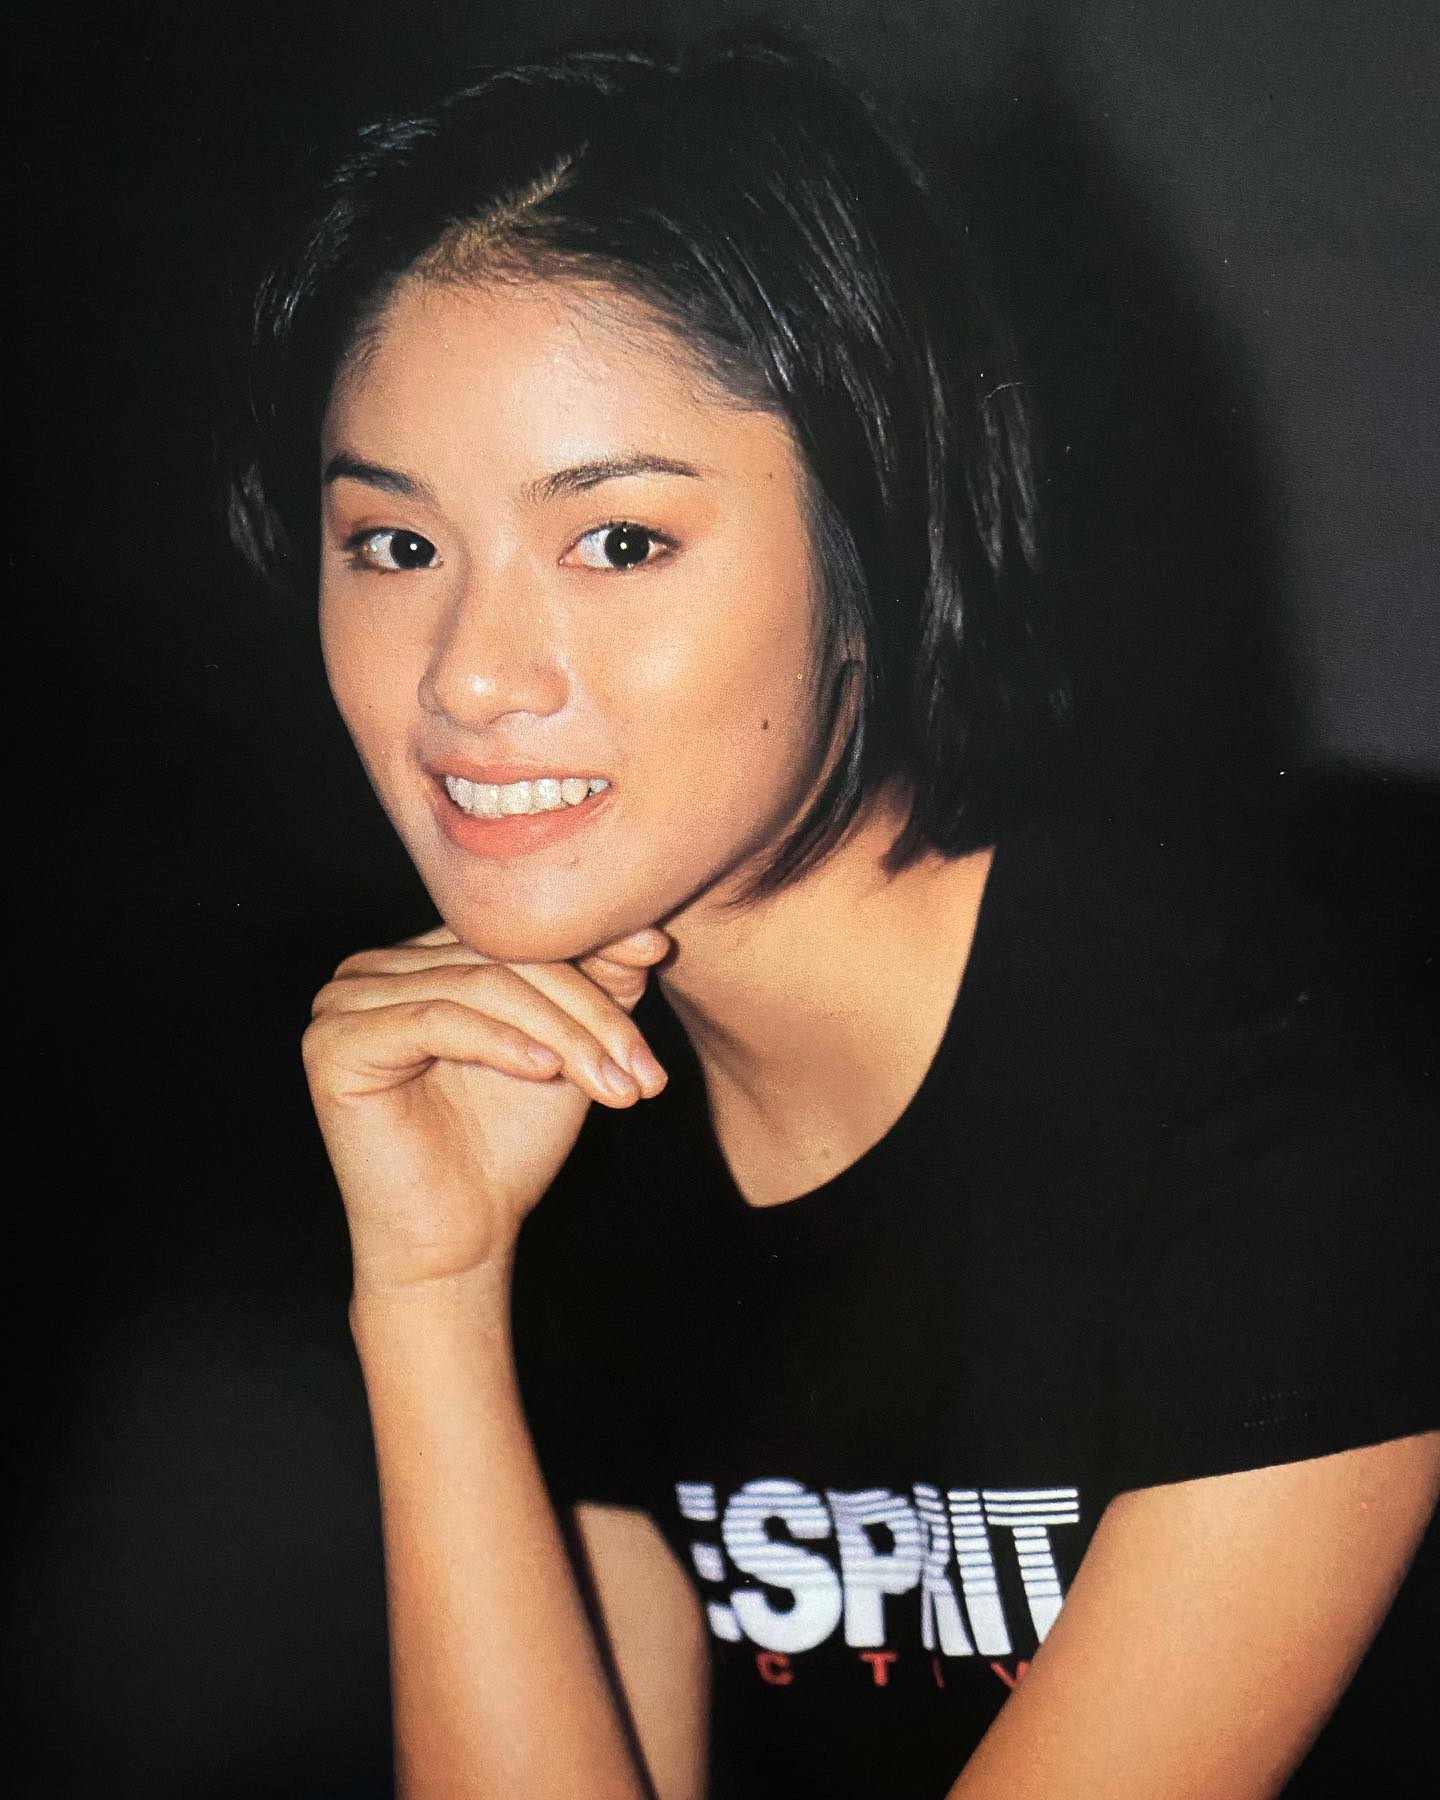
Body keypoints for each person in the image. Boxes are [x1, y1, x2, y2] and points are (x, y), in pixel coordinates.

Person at [225, 33, 1439, 1800]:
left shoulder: (1282, 1145)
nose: (469, 678)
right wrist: (432, 1293)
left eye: (618, 542)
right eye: (396, 548)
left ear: (876, 540)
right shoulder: (564, 1135)